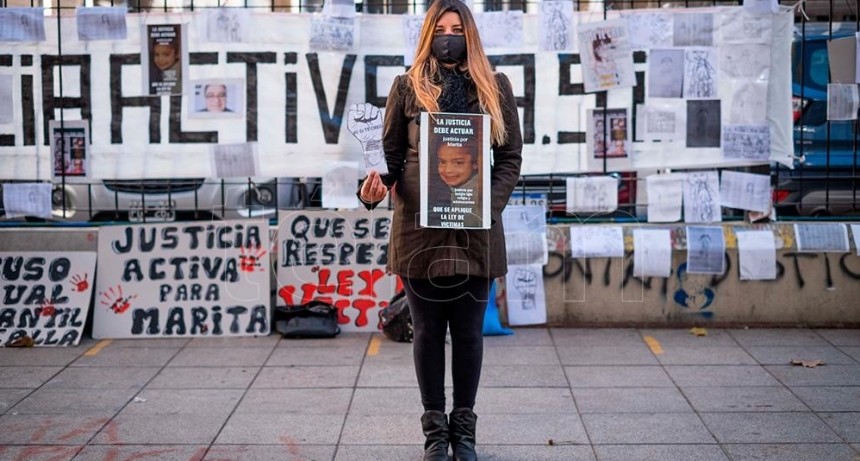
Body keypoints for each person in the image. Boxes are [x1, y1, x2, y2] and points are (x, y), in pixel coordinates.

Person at [358, 0, 523, 459]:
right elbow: (389, 158)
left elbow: (509, 159)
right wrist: (373, 188)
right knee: (428, 333)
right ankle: (435, 433)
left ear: (470, 36)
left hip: (476, 230)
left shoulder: (496, 87)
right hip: (418, 233)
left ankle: (464, 432)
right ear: (428, 35)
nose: (449, 36)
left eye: (458, 29)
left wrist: (487, 206)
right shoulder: (407, 87)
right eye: (441, 29)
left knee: (469, 333)